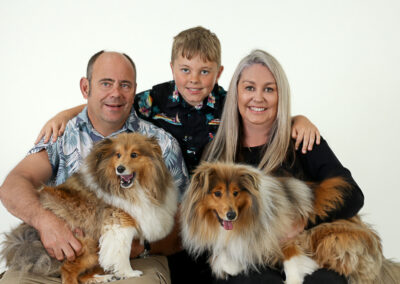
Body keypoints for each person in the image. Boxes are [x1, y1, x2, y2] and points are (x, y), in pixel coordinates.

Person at [0, 51, 189, 284]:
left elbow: (185, 222)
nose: (116, 93)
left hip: (135, 261)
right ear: (85, 87)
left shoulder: (161, 143)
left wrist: (141, 245)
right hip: (63, 256)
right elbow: (13, 184)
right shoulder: (61, 134)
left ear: (134, 90)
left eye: (125, 85)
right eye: (106, 83)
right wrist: (45, 222)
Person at [202, 49, 365, 284]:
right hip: (246, 260)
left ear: (281, 95)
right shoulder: (217, 154)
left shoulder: (302, 140)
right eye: (249, 88)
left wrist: (302, 223)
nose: (258, 98)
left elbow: (353, 195)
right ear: (236, 93)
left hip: (302, 251)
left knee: (327, 281)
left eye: (269, 89)